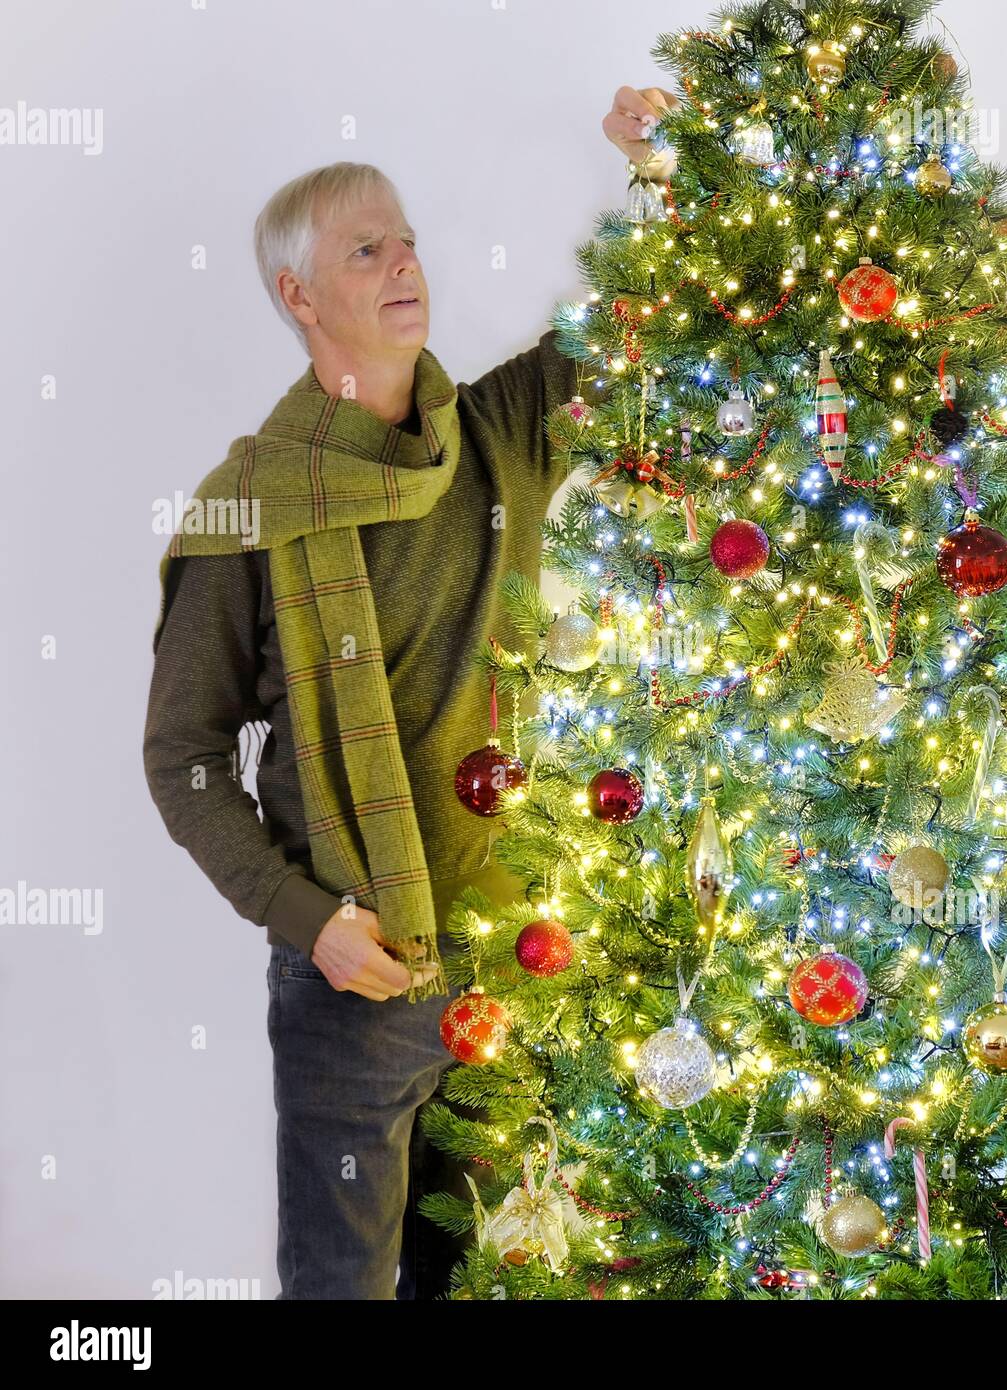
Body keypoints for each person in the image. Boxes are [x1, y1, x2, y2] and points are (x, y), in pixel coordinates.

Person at [142, 85, 678, 1300]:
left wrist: (652, 167)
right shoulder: (248, 511)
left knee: (492, 1277)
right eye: (364, 247)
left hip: (519, 950)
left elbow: (641, 325)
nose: (404, 263)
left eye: (409, 238)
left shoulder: (498, 434)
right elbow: (182, 755)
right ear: (300, 296)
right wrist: (303, 916)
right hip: (358, 976)